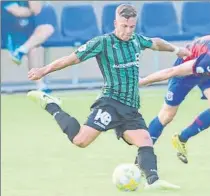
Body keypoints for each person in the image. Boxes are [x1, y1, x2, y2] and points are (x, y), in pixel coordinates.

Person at [26, 4, 190, 190]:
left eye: (131, 27)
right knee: (81, 140)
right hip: (110, 103)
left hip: (130, 107)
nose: (128, 31)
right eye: (123, 26)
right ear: (115, 23)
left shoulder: (136, 40)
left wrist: (177, 50)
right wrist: (44, 70)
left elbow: (156, 42)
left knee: (145, 140)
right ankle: (51, 105)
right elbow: (71, 59)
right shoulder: (102, 42)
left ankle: (153, 181)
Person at [139, 34, 210, 164]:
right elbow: (171, 71)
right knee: (167, 115)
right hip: (191, 63)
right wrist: (142, 82)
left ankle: (181, 139)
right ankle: (141, 158)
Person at [1, 1, 54, 91]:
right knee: (32, 48)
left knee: (48, 28)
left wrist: (30, 9)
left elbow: (37, 10)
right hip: (12, 34)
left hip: (29, 34)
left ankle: (22, 50)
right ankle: (22, 50)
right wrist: (31, 10)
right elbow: (19, 12)